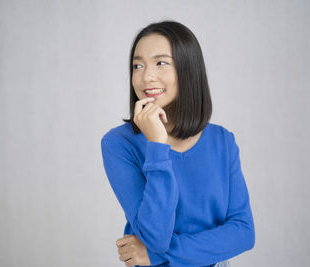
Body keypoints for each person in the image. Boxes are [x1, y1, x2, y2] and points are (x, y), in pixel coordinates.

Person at [100, 20, 255, 267]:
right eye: (137, 65)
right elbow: (155, 237)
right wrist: (157, 146)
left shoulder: (222, 141)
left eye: (161, 63)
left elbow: (243, 232)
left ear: (188, 69)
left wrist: (159, 255)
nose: (146, 76)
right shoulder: (119, 143)